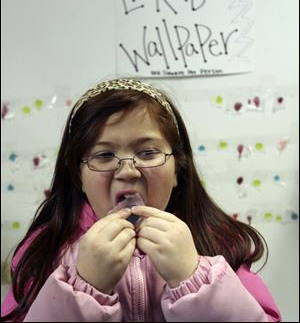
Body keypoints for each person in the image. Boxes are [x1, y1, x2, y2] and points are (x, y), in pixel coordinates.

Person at [1, 78, 281, 322]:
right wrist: (81, 288)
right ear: (79, 177)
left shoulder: (220, 242)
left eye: (147, 153)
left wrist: (195, 280)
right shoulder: (43, 250)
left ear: (177, 170)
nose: (127, 171)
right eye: (104, 155)